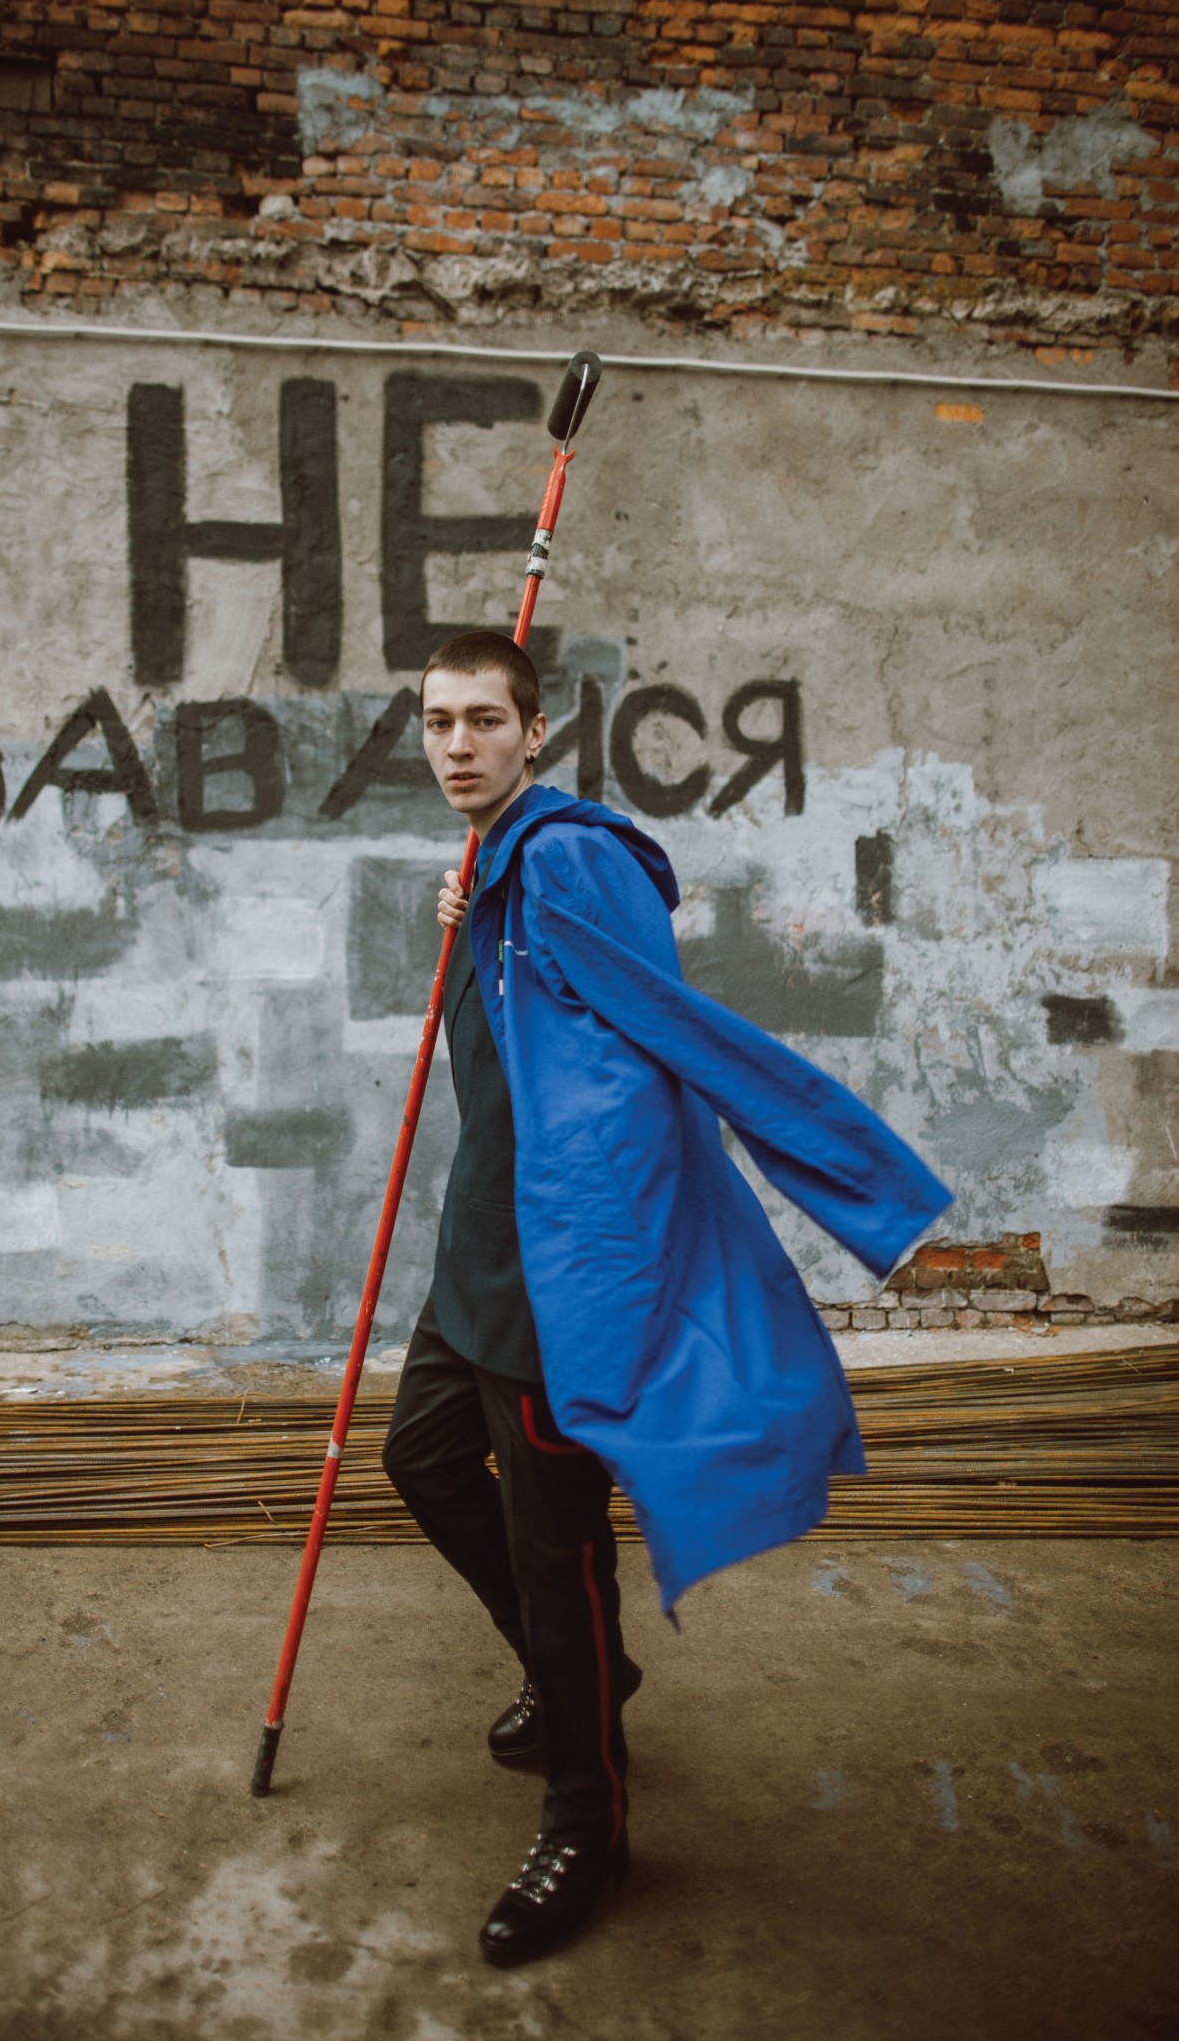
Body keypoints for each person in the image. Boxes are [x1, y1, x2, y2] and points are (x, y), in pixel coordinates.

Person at [382, 630, 950, 1970]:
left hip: (556, 1265)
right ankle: (575, 1665)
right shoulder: (493, 865)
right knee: (421, 1460)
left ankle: (590, 1822)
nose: (458, 744)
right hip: (481, 1245)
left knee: (558, 1550)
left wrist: (617, 1257)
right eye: (439, 721)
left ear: (533, 734)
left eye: (484, 720)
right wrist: (471, 925)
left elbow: (651, 1039)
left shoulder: (567, 857)